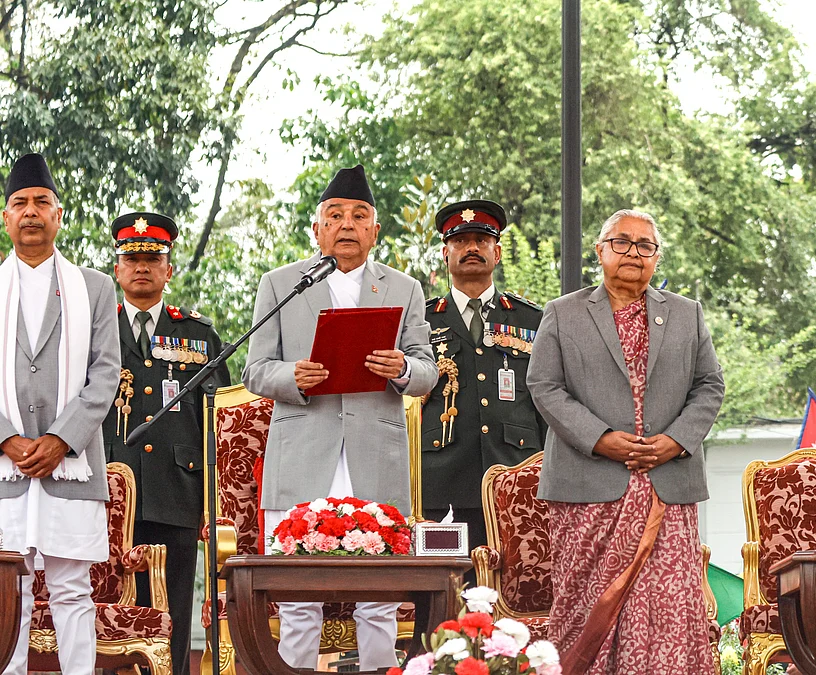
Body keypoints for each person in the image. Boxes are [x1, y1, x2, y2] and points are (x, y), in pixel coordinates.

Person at [243, 164, 437, 670]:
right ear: (317, 228)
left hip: (376, 454)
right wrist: (293, 377)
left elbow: (427, 370)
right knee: (298, 600)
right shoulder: (281, 283)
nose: (346, 225)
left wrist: (402, 369)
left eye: (358, 216)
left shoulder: (404, 288)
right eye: (335, 215)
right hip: (304, 455)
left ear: (375, 230)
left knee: (378, 600)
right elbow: (256, 370)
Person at [527, 209, 724, 674]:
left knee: (669, 616)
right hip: (588, 486)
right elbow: (544, 386)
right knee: (584, 611)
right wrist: (601, 439)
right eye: (622, 243)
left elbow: (710, 385)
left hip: (667, 487)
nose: (634, 253)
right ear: (600, 251)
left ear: (657, 257)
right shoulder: (563, 312)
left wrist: (675, 441)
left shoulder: (686, 313)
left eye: (645, 246)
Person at [0, 153, 121, 675]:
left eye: (41, 202)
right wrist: (6, 437)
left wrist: (61, 440)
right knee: (9, 593)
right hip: (3, 468)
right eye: (20, 203)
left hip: (73, 463)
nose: (31, 211)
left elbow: (106, 374)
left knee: (72, 590)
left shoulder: (94, 288)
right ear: (6, 217)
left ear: (59, 215)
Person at [102, 211, 230, 675]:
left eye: (153, 258)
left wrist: (213, 503)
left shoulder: (197, 334)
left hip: (179, 490)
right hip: (109, 493)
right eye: (131, 258)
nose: (141, 267)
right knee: (108, 609)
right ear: (117, 269)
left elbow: (218, 422)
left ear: (168, 269)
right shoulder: (95, 331)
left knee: (171, 611)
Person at [422, 199, 546, 555]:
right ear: (445, 255)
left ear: (498, 252)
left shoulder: (531, 320)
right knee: (445, 590)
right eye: (461, 241)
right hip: (441, 480)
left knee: (515, 588)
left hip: (517, 476)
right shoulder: (421, 320)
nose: (472, 248)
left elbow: (547, 401)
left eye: (482, 239)